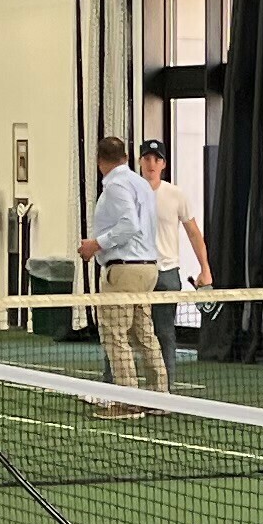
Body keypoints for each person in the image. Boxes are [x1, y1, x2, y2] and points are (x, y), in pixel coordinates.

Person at [77, 129, 167, 404]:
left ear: (98, 161)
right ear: (127, 157)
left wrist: (96, 244)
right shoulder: (142, 184)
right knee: (143, 334)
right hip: (148, 268)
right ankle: (160, 398)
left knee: (115, 335)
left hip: (125, 269)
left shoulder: (116, 186)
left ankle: (128, 401)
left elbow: (129, 224)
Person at [141, 135, 208, 357]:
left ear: (163, 164)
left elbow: (194, 233)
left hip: (167, 274)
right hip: (137, 272)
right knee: (124, 330)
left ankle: (164, 389)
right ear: (140, 161)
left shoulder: (176, 195)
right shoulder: (129, 192)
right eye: (147, 158)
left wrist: (205, 269)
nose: (152, 164)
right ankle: (111, 388)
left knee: (165, 333)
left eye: (156, 159)